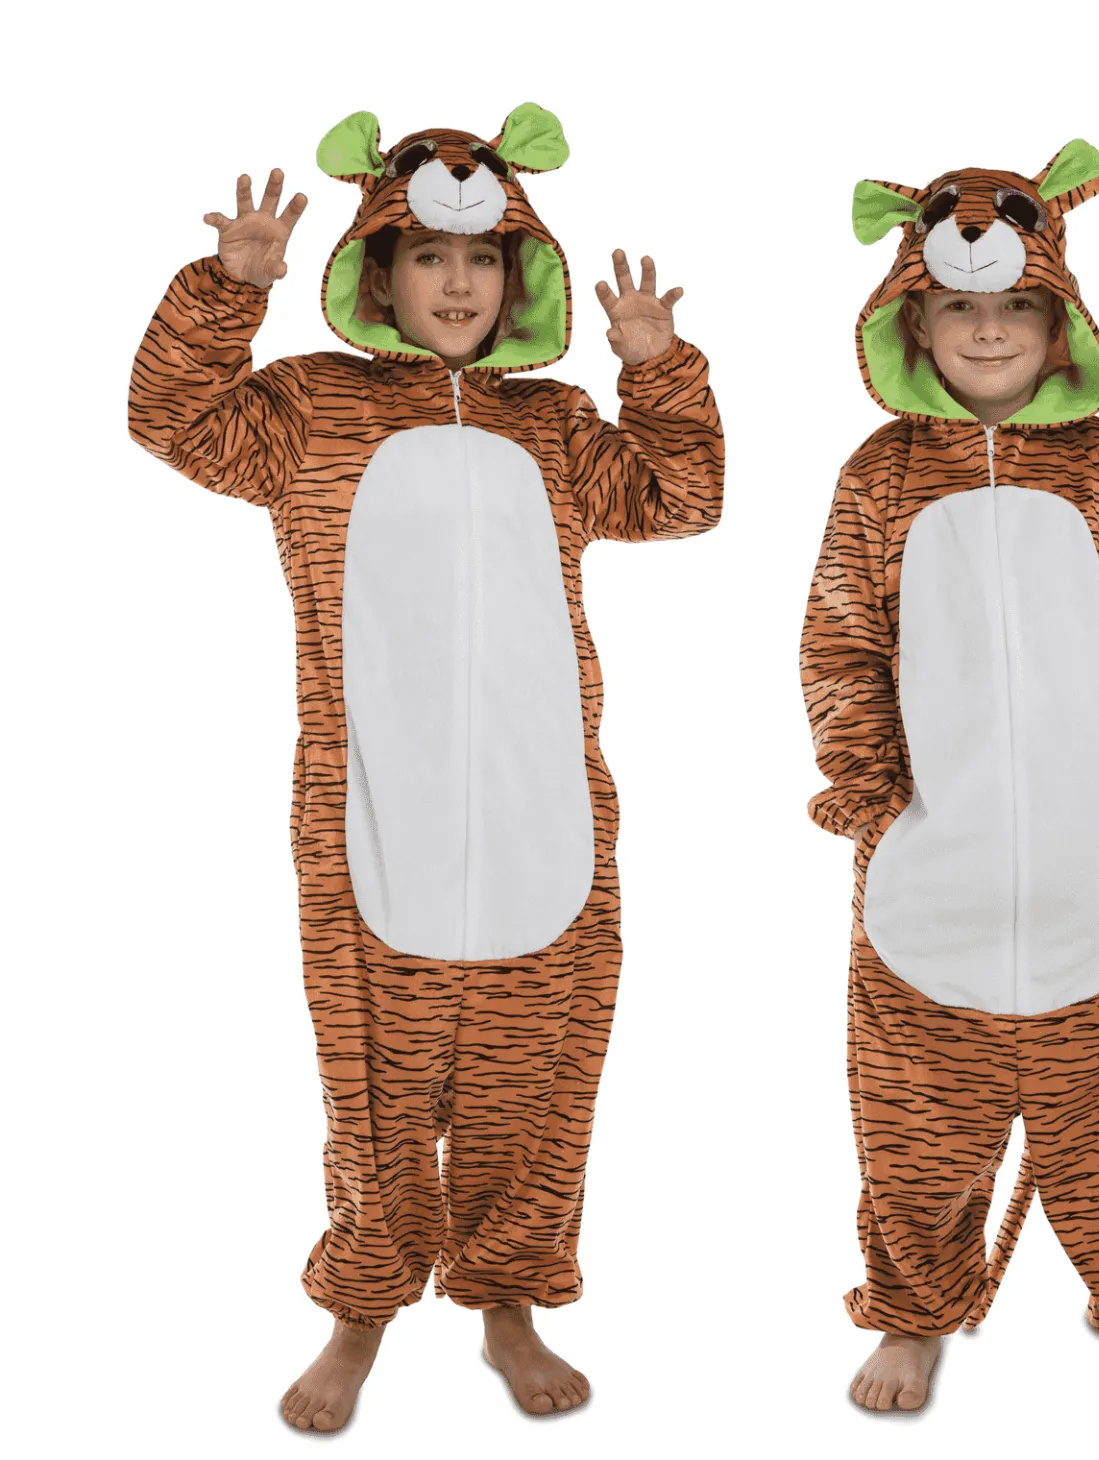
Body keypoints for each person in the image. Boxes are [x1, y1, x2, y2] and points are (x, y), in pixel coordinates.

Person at [127, 105, 724, 1430]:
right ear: (379, 271)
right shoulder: (308, 408)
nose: (457, 283)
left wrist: (658, 369)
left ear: (519, 278)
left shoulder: (554, 424)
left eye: (482, 260)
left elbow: (681, 498)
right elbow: (170, 416)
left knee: (536, 1077)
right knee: (376, 1087)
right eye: (429, 258)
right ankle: (361, 1308)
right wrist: (227, 291)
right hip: (366, 807)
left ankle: (508, 1299)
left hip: (543, 802)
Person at [800, 139, 1099, 1413]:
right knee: (912, 1126)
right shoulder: (878, 476)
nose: (988, 328)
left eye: (1014, 304)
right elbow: (839, 643)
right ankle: (910, 1310)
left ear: (1061, 325)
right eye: (959, 306)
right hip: (927, 872)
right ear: (912, 319)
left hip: (1091, 855)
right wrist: (872, 807)